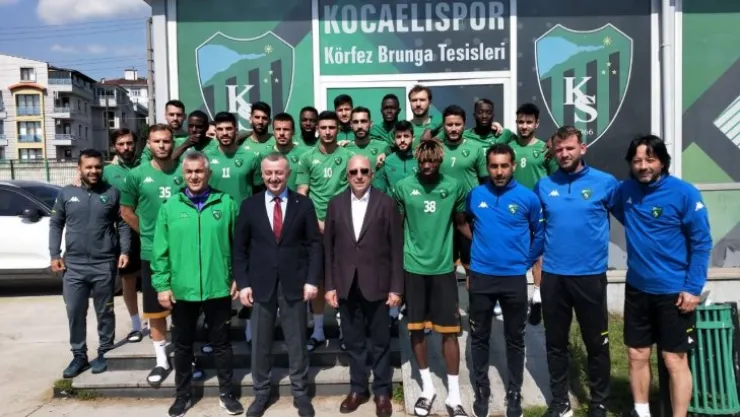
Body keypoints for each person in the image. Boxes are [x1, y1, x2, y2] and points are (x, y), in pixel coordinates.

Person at [615, 135, 711, 417]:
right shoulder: (625, 191)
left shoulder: (685, 193)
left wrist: (693, 287)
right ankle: (642, 412)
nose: (643, 166)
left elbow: (702, 242)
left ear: (662, 162)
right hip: (637, 289)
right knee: (636, 355)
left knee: (674, 359)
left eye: (650, 159)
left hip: (675, 292)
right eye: (637, 161)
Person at [533, 126, 619, 417]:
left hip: (590, 275)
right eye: (559, 149)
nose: (564, 154)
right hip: (554, 276)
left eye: (569, 148)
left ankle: (599, 402)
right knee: (555, 343)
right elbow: (534, 228)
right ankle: (560, 402)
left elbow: (633, 218)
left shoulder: (605, 183)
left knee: (596, 342)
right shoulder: (544, 185)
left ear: (583, 148)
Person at [151, 152, 243, 417]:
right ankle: (182, 396)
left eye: (199, 171)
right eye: (189, 171)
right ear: (183, 174)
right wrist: (162, 285)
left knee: (222, 344)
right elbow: (160, 251)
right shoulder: (170, 207)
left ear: (208, 173)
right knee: (182, 346)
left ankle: (227, 394)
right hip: (182, 290)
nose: (194, 176)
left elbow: (239, 246)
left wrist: (238, 276)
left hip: (218, 287)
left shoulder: (226, 204)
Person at [233, 153, 322, 417]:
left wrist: (312, 280)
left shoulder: (303, 204)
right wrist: (243, 283)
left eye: (279, 173)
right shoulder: (249, 206)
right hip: (260, 285)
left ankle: (300, 393)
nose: (274, 178)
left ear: (288, 173)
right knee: (260, 343)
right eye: (269, 173)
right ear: (262, 175)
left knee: (297, 341)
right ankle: (261, 392)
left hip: (295, 283)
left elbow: (314, 245)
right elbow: (240, 249)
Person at [393, 139, 471, 417]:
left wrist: (484, 249)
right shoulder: (403, 186)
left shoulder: (454, 186)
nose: (427, 165)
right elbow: (396, 229)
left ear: (440, 160)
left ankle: (454, 396)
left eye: (432, 161)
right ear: (417, 159)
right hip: (413, 268)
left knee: (449, 333)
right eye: (423, 161)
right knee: (416, 330)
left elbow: (461, 224)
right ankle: (427, 390)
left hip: (443, 269)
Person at [466, 144, 545, 417]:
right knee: (479, 337)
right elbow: (466, 223)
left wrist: (525, 262)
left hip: (513, 279)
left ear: (513, 166)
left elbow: (539, 233)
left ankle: (514, 392)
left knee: (515, 338)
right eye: (494, 166)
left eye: (504, 166)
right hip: (481, 277)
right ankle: (482, 389)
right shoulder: (475, 195)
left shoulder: (528, 198)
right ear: (487, 167)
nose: (499, 172)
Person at [323, 155, 403, 417]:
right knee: (354, 342)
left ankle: (381, 392)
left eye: (364, 171)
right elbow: (329, 249)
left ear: (372, 174)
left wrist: (396, 287)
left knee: (380, 342)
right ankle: (358, 389)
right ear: (347, 175)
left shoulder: (386, 203)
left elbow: (396, 248)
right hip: (346, 285)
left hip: (378, 284)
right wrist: (330, 285)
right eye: (354, 171)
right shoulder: (335, 204)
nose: (359, 176)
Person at [50, 149, 131, 378]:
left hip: (104, 263)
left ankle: (105, 351)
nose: (94, 171)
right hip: (74, 266)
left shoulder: (111, 193)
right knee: (75, 311)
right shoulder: (66, 193)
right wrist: (54, 254)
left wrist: (124, 250)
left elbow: (122, 224)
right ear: (79, 169)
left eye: (97, 167)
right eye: (89, 167)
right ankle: (79, 355)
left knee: (105, 311)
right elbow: (56, 224)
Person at [121, 124, 185, 387]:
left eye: (166, 141)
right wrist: (151, 235)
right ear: (148, 144)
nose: (162, 145)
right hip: (151, 254)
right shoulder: (136, 175)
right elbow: (126, 211)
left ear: (173, 142)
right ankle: (161, 360)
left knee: (184, 309)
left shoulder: (185, 171)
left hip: (183, 253)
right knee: (156, 311)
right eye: (157, 141)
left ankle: (186, 356)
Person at [296, 110, 355, 351]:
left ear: (338, 129)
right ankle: (318, 331)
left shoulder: (349, 156)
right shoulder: (307, 158)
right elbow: (302, 194)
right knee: (318, 280)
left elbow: (356, 192)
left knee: (345, 278)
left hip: (344, 227)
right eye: (324, 127)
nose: (328, 132)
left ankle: (345, 331)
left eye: (332, 127)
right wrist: (314, 223)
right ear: (317, 129)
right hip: (316, 228)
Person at [503, 103, 559, 323]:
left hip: (538, 210)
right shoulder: (508, 147)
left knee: (538, 255)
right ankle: (508, 299)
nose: (524, 126)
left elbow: (554, 180)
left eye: (528, 122)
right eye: (520, 122)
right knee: (511, 252)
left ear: (537, 123)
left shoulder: (546, 149)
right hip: (512, 210)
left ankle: (537, 297)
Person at [437, 105, 488, 287]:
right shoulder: (437, 149)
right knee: (446, 265)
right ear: (443, 125)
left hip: (469, 216)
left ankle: (475, 303)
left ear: (464, 124)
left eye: (457, 124)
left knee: (470, 264)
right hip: (443, 215)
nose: (453, 128)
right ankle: (450, 303)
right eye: (449, 124)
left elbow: (485, 182)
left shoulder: (475, 148)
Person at [102, 128, 144, 343]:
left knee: (157, 278)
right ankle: (136, 325)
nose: (126, 147)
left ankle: (159, 319)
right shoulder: (107, 172)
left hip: (150, 230)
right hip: (125, 233)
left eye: (129, 143)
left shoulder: (146, 165)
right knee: (129, 280)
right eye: (121, 144)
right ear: (114, 146)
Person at [206, 111, 262, 206]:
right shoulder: (205, 157)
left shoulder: (252, 157)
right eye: (220, 129)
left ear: (236, 130)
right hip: (214, 213)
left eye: (228, 129)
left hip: (243, 213)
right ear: (216, 132)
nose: (224, 133)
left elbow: (259, 192)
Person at [375, 120, 418, 196]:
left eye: (406, 136)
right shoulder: (387, 161)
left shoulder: (420, 159)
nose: (402, 140)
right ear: (394, 139)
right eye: (398, 137)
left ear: (413, 138)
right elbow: (379, 190)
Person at [272, 112, 310, 190]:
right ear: (273, 132)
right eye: (278, 129)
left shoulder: (306, 154)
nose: (281, 133)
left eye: (286, 129)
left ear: (293, 132)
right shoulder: (265, 155)